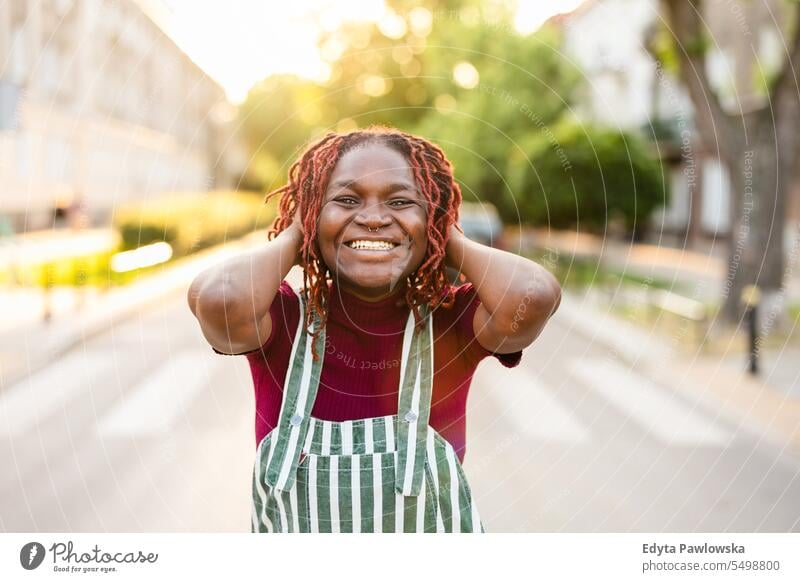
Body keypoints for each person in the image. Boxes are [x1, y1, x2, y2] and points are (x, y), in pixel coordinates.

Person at [187, 126, 561, 533]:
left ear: (431, 218)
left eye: (401, 202)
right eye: (346, 200)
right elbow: (220, 299)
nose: (373, 218)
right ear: (313, 215)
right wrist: (298, 233)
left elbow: (533, 294)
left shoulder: (451, 322)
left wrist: (445, 233)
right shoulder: (283, 324)